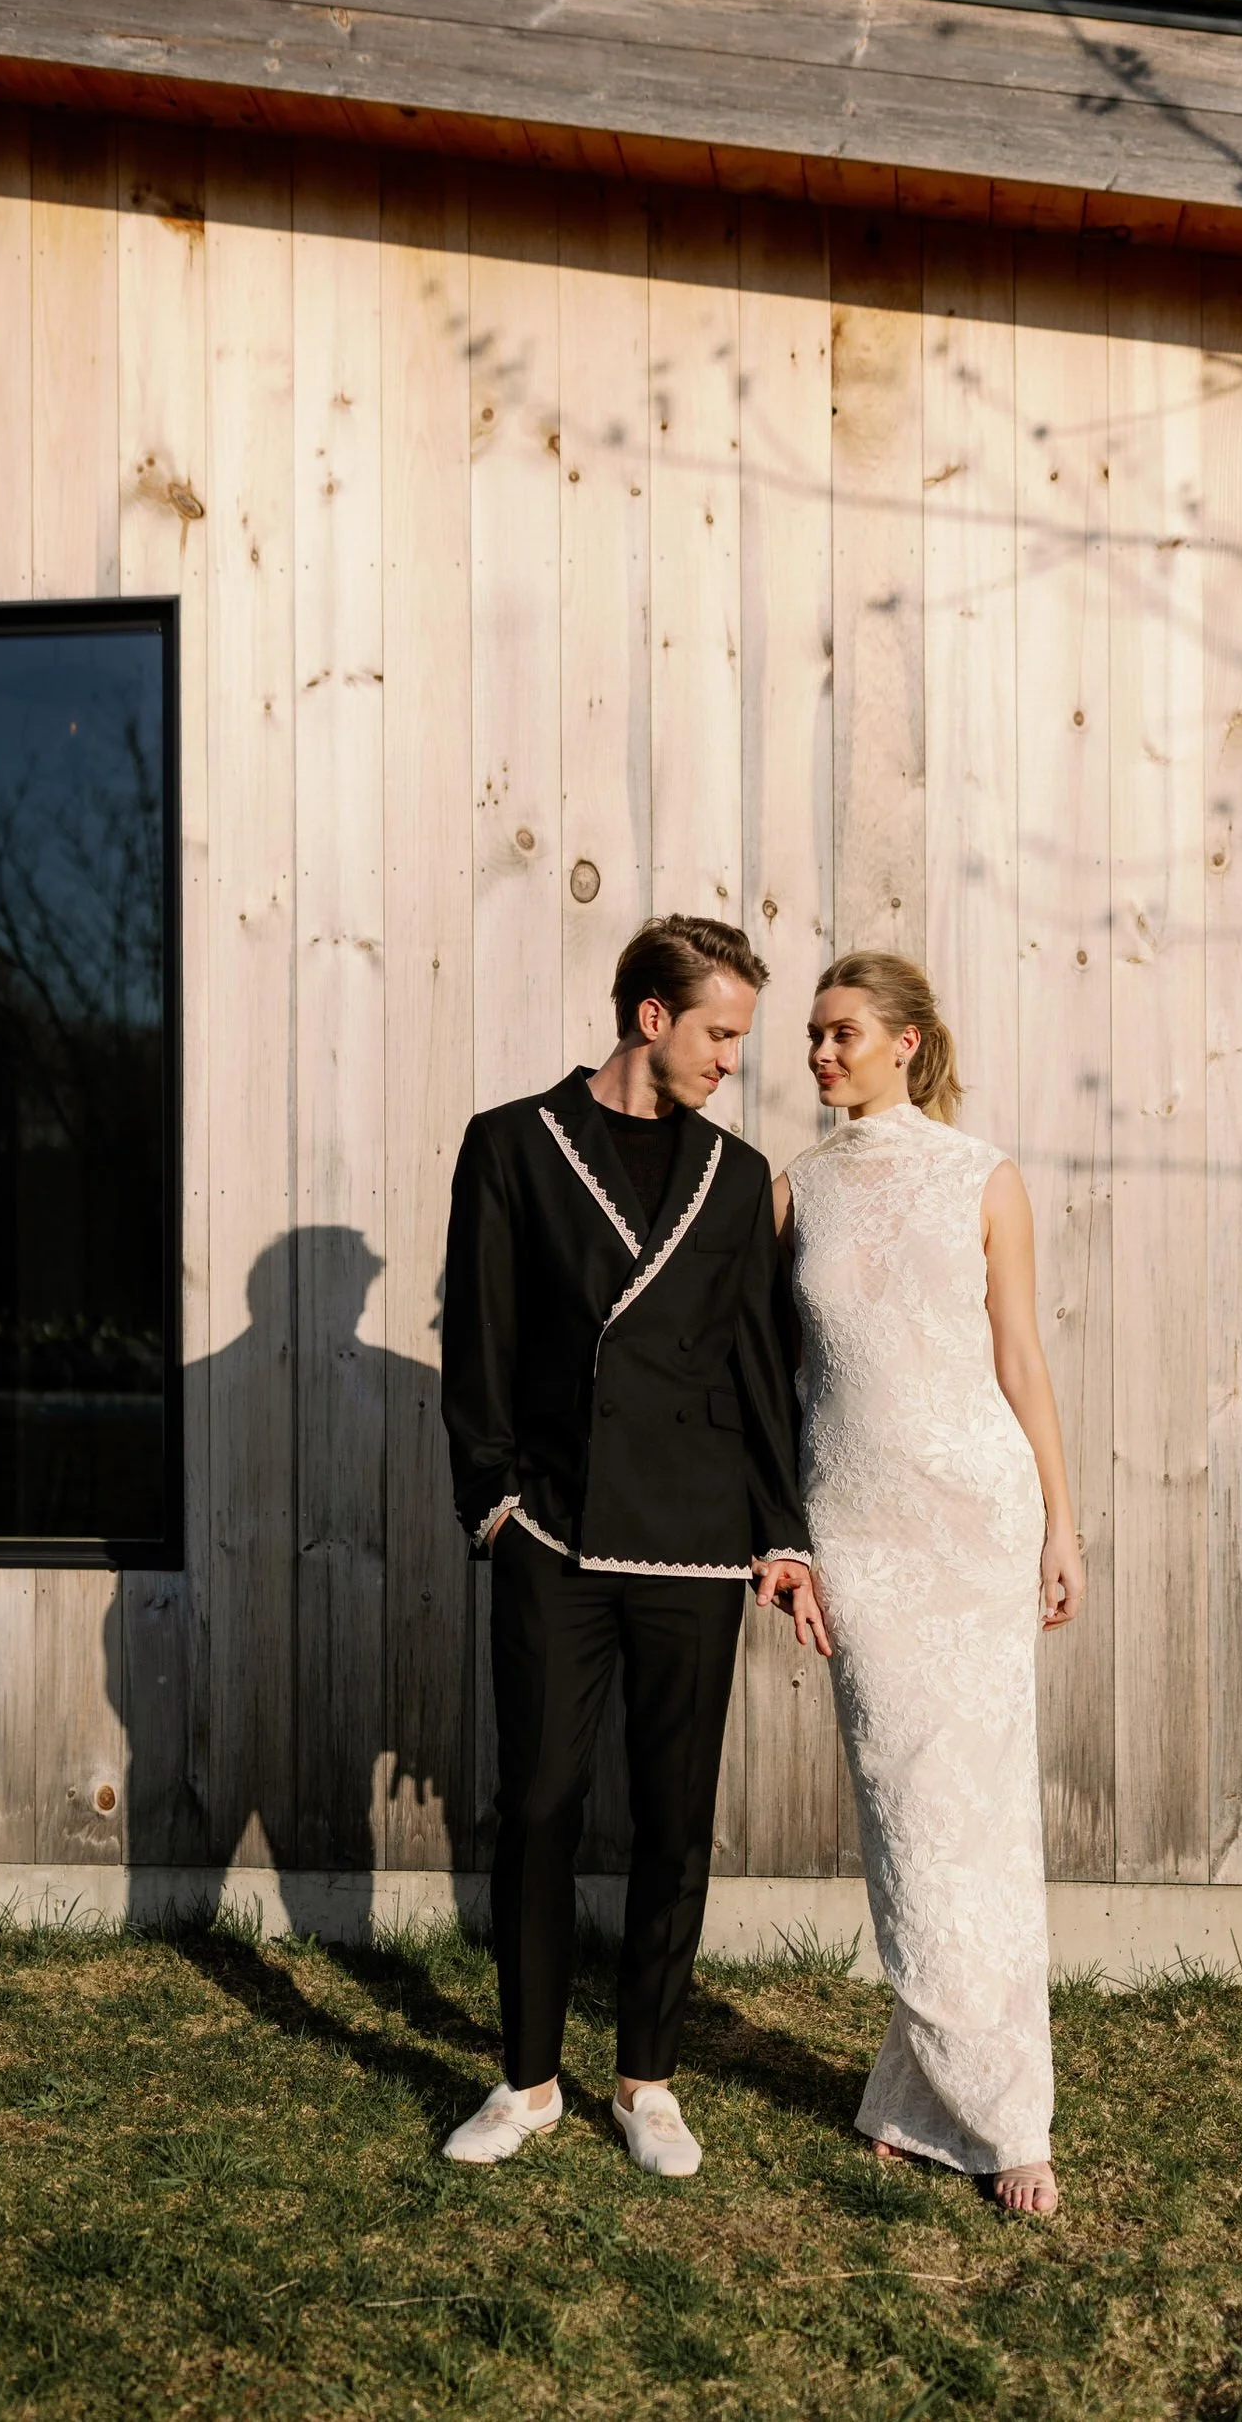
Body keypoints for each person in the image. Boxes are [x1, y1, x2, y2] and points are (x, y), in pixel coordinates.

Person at [440, 915, 824, 2178]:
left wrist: (780, 1535)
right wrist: (492, 1499)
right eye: (719, 1032)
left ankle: (647, 2080)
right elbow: (480, 1339)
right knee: (540, 1806)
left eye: (741, 1039)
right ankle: (529, 2081)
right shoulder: (511, 1145)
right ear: (649, 1017)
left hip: (697, 1543)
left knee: (673, 1816)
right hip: (554, 1527)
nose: (733, 1059)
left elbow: (757, 1366)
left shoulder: (733, 1173)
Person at [768, 952, 1083, 2217]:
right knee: (906, 1809)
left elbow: (1019, 1351)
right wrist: (776, 1535)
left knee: (983, 1810)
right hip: (860, 1528)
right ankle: (928, 2087)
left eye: (842, 1033)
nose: (820, 1054)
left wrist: (1062, 1521)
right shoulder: (790, 1190)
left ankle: (1007, 2117)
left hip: (979, 1518)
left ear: (907, 1042)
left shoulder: (982, 1176)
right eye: (809, 1036)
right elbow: (760, 1373)